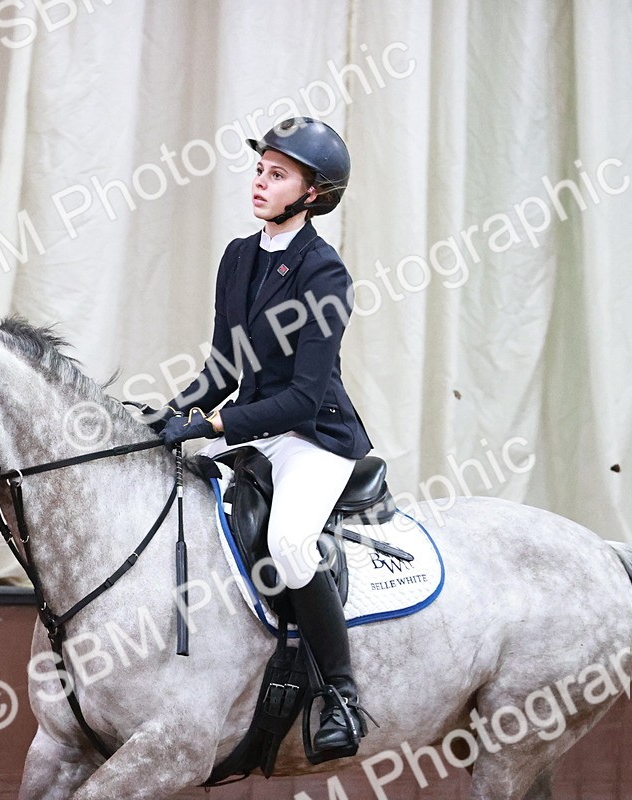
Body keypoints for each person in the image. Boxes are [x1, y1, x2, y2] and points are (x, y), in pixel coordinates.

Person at [156, 117, 373, 758]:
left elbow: (304, 396)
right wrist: (169, 414)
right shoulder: (238, 256)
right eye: (259, 169)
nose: (260, 181)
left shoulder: (324, 274)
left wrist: (212, 425)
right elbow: (225, 367)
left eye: (277, 174)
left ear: (312, 194)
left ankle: (341, 694)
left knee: (289, 538)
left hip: (314, 436)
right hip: (254, 423)